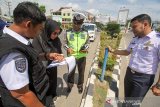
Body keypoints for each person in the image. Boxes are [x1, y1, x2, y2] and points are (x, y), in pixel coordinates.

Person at [0, 2, 56, 107]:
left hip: (40, 94)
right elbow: (22, 94)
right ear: (28, 24)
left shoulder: (16, 38)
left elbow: (29, 57)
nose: (40, 33)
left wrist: (46, 56)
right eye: (40, 29)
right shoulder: (14, 54)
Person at [108, 14, 160, 106]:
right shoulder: (136, 38)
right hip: (129, 74)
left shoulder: (157, 40)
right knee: (127, 100)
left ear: (145, 24)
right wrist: (113, 51)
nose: (132, 29)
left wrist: (159, 85)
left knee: (133, 104)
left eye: (134, 26)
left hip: (143, 78)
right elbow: (127, 52)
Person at [32, 19, 64, 102]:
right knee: (43, 86)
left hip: (53, 66)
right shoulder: (38, 38)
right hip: (41, 68)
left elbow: (59, 51)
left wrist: (60, 56)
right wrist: (48, 55)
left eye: (58, 33)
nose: (56, 35)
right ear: (48, 30)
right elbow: (35, 55)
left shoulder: (57, 40)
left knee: (53, 82)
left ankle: (52, 95)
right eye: (54, 33)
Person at [64, 13, 90, 94]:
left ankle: (80, 85)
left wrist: (85, 47)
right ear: (73, 21)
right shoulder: (67, 32)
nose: (76, 25)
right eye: (74, 23)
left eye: (78, 23)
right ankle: (70, 85)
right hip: (71, 57)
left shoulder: (85, 32)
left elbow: (88, 43)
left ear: (81, 23)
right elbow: (64, 43)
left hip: (82, 56)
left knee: (81, 73)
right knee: (71, 72)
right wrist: (68, 48)